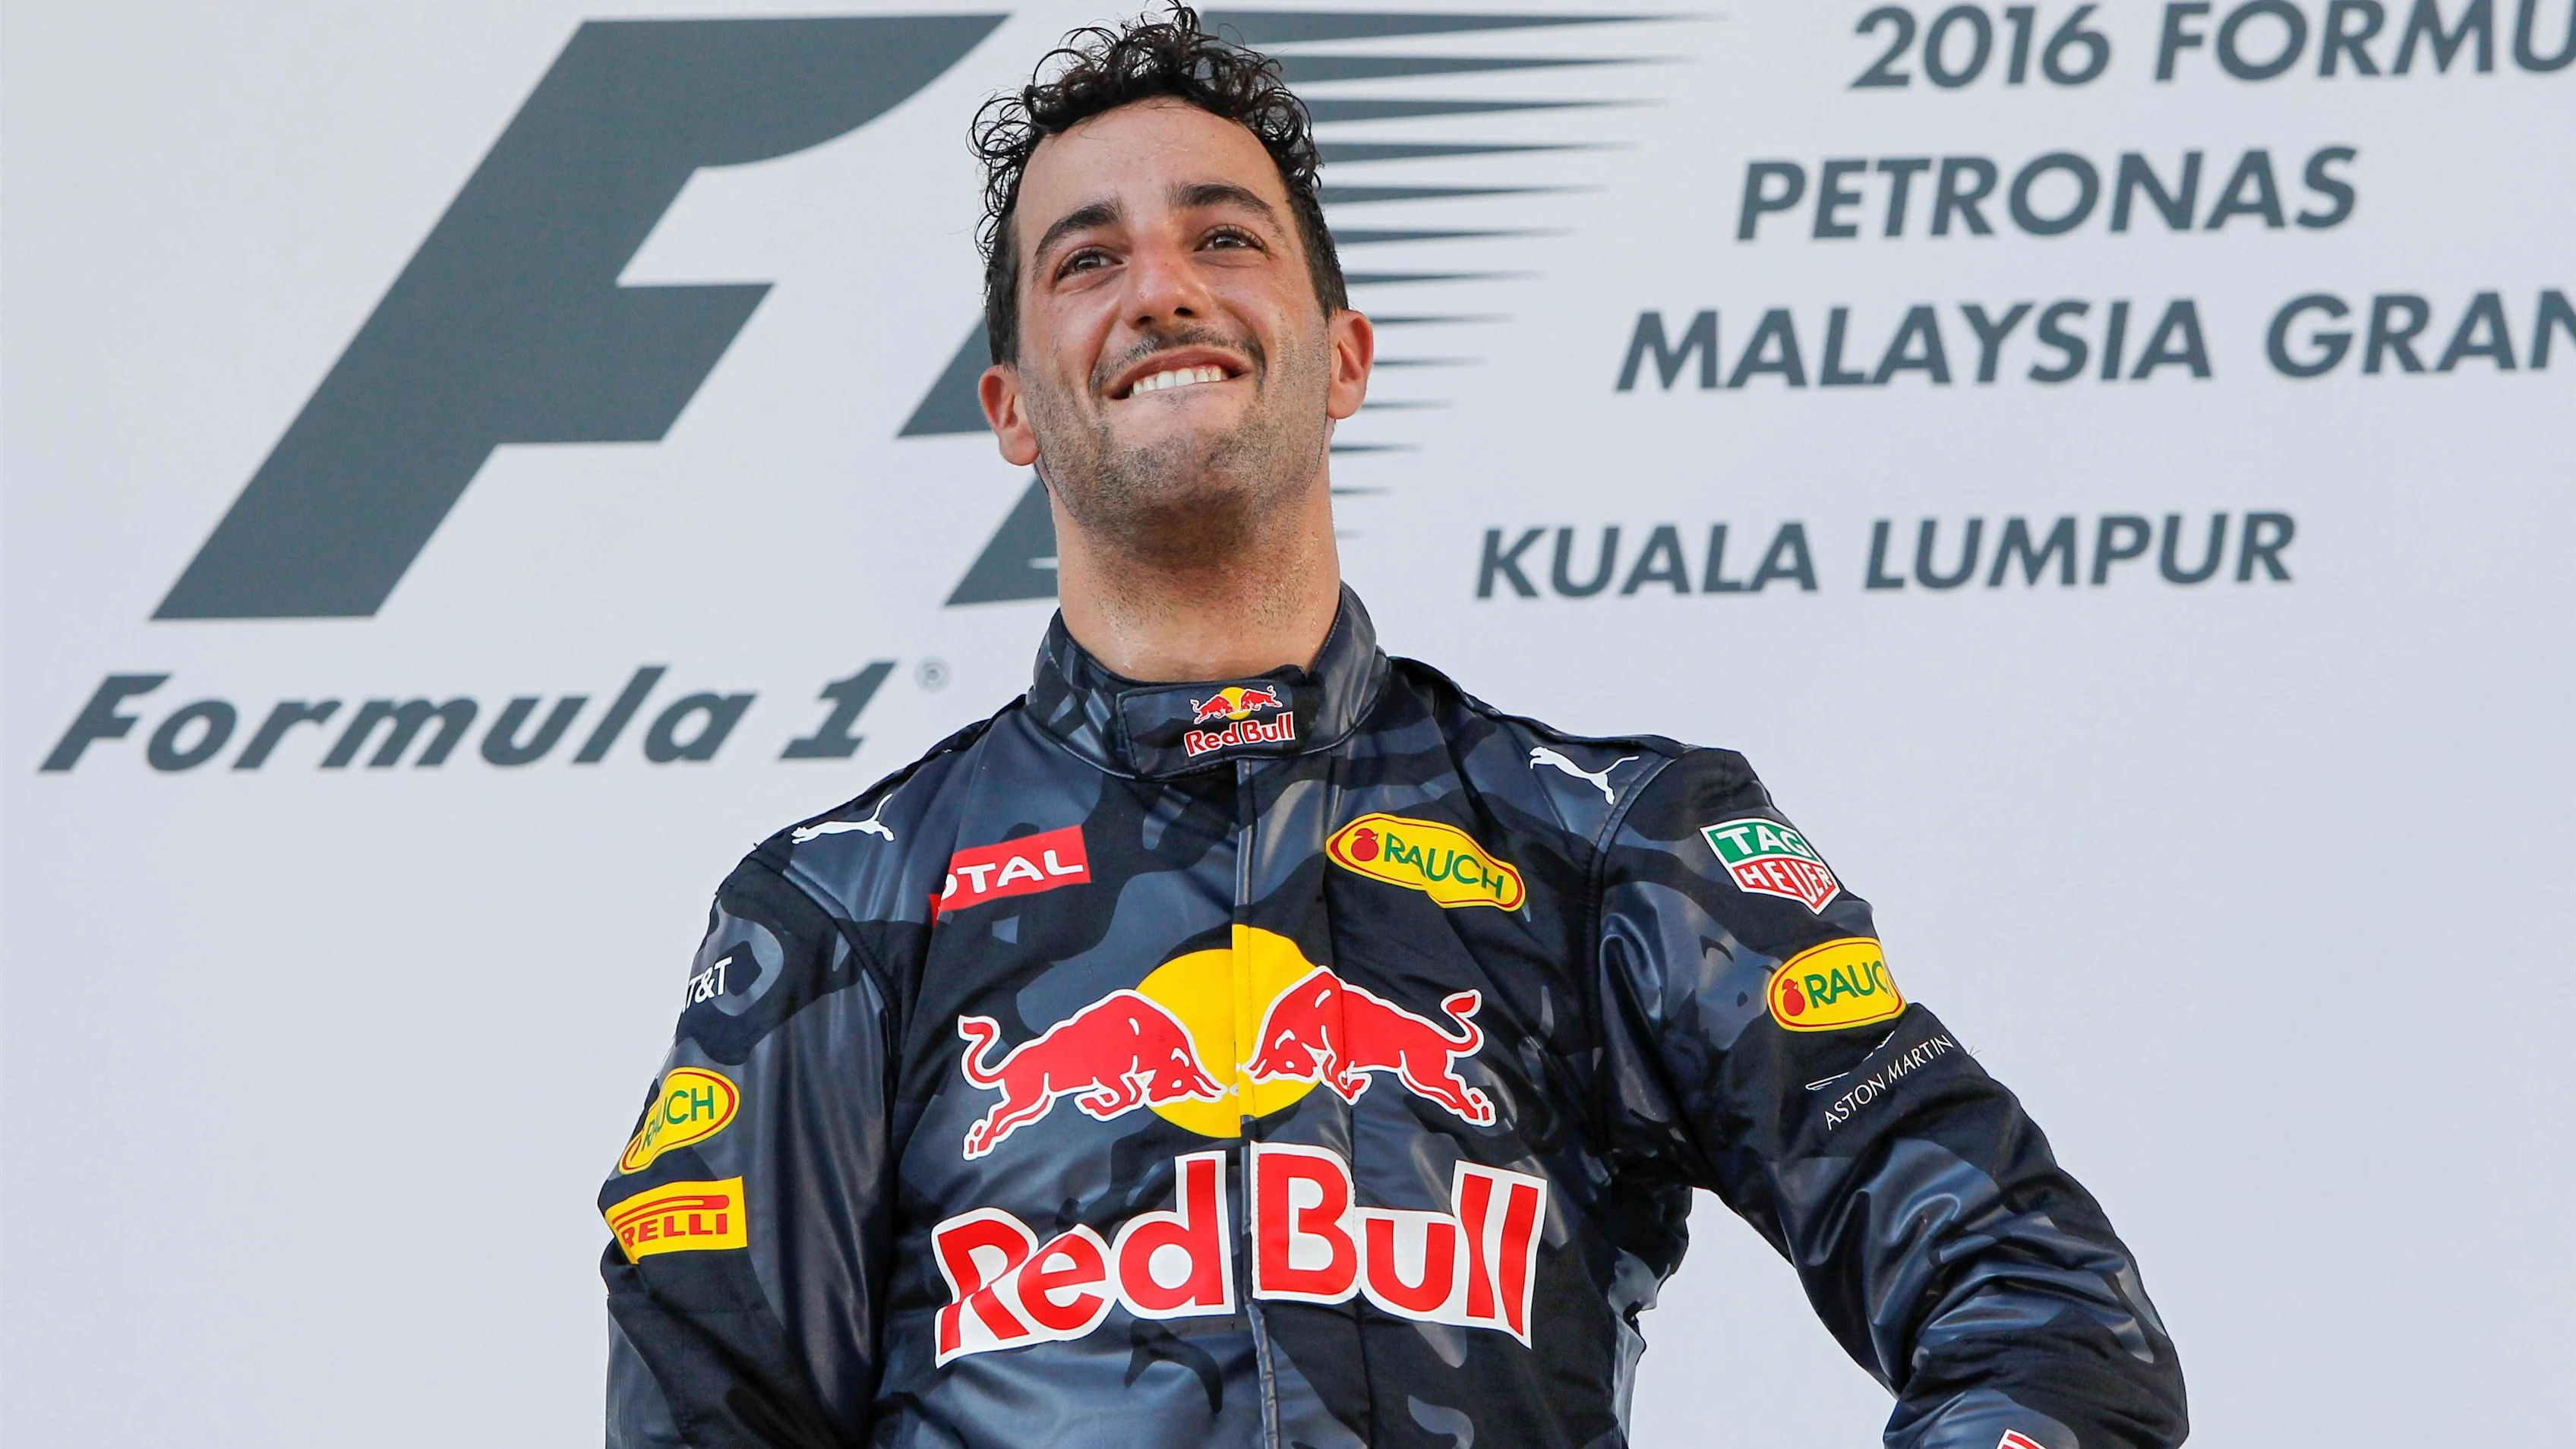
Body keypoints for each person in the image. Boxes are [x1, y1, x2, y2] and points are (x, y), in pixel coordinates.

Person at [598, 11, 2187, 1447]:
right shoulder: (843, 907)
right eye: (1086, 260)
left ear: (1344, 357)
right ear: (1013, 406)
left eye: (1225, 238)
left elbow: (2046, 1320)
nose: (1160, 287)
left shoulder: (1609, 843)